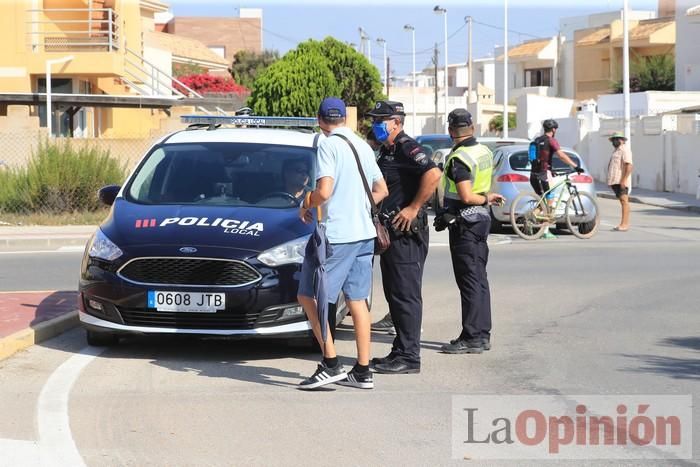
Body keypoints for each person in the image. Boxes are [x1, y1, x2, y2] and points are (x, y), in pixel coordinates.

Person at [297, 97, 388, 390]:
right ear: (345, 119)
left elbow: (324, 191)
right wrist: (357, 206)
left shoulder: (327, 144)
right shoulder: (362, 145)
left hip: (337, 235)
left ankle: (330, 363)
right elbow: (381, 189)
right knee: (357, 300)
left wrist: (306, 201)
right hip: (363, 233)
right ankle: (363, 370)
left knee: (310, 296)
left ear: (320, 120)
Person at [367, 100, 441, 374]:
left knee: (406, 295)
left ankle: (410, 357)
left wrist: (413, 208)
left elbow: (433, 174)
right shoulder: (388, 150)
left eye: (381, 120)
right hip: (391, 234)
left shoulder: (407, 146)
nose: (376, 125)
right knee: (395, 294)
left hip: (406, 233)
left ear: (397, 123)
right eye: (374, 120)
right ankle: (400, 350)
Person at [434, 109, 504, 354]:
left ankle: (473, 336)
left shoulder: (460, 158)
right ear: (472, 128)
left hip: (466, 224)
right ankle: (480, 334)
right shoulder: (483, 151)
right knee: (479, 280)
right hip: (481, 221)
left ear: (451, 131)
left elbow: (465, 195)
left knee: (470, 282)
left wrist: (483, 198)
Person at [530, 119, 584, 239]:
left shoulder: (537, 140)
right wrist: (575, 166)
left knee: (543, 200)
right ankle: (545, 230)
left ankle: (533, 217)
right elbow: (561, 155)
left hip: (533, 175)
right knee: (550, 200)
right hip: (544, 174)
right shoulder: (551, 140)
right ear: (554, 130)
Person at [607, 132, 633, 231]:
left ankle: (624, 224)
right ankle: (622, 224)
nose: (614, 141)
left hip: (621, 181)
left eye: (616, 139)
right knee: (622, 201)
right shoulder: (616, 151)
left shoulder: (625, 150)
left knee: (624, 201)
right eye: (613, 140)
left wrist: (623, 180)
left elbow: (629, 166)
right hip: (616, 181)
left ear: (622, 140)